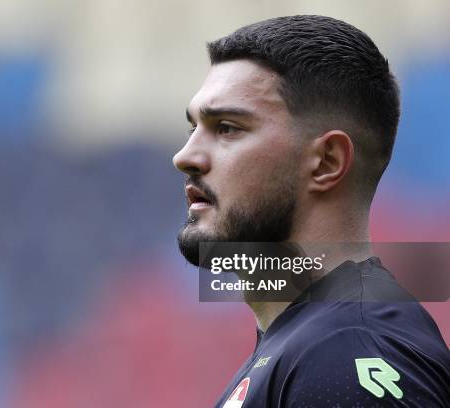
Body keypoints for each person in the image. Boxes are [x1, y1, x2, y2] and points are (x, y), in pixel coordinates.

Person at [173, 15, 450, 407]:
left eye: (227, 128)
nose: (185, 157)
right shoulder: (310, 344)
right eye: (193, 129)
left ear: (326, 162)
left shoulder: (346, 354)